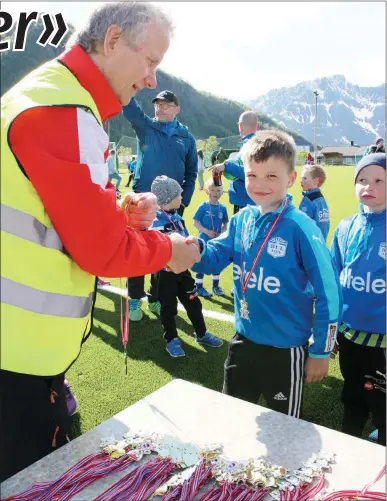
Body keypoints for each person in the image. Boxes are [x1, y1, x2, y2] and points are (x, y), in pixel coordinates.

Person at [0, 2, 201, 482]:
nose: (152, 79)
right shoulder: (62, 111)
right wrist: (169, 250)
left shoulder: (49, 96)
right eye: (149, 61)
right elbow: (100, 252)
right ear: (113, 41)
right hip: (17, 359)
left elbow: (45, 211)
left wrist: (118, 215)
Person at [191, 130, 342, 417]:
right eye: (252, 175)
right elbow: (212, 259)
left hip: (285, 352)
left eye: (271, 176)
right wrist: (190, 249)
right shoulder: (241, 220)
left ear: (291, 179)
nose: (259, 185)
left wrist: (322, 351)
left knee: (284, 428)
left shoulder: (301, 228)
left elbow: (330, 293)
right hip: (243, 342)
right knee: (233, 417)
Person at [122, 90, 198, 321]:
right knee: (136, 251)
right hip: (142, 202)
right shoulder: (146, 127)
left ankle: (154, 297)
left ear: (177, 108)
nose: (160, 108)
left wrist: (182, 200)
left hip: (171, 207)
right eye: (157, 104)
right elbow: (130, 108)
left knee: (162, 254)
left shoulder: (186, 137)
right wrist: (126, 80)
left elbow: (192, 173)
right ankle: (134, 300)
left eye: (166, 104)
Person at [330, 153, 386, 446]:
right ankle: (348, 444)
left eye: (378, 180)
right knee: (352, 397)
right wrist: (333, 331)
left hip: (383, 343)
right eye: (362, 180)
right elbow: (333, 281)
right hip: (350, 336)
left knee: (383, 406)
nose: (369, 186)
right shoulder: (345, 227)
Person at [150, 176, 223, 357]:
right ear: (168, 198)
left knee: (193, 302)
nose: (182, 197)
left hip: (184, 272)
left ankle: (201, 333)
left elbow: (186, 239)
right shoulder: (154, 221)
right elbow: (155, 247)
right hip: (165, 274)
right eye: (179, 194)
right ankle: (172, 339)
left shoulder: (177, 217)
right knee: (168, 307)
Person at [210, 111, 259, 215]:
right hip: (253, 200)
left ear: (241, 126)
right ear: (257, 126)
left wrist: (226, 166)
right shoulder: (259, 143)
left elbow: (252, 173)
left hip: (246, 202)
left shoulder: (251, 145)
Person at [193, 179, 229, 297]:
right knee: (201, 263)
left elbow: (225, 224)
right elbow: (196, 222)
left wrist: (221, 233)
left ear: (222, 192)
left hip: (216, 241)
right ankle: (199, 287)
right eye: (212, 189)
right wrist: (207, 231)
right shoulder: (203, 206)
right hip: (203, 240)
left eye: (218, 190)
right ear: (207, 191)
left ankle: (215, 286)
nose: (215, 192)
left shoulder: (223, 208)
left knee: (216, 262)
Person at [299, 164, 330, 241]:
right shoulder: (321, 199)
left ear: (315, 181)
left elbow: (301, 222)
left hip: (309, 243)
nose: (301, 181)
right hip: (321, 243)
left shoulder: (308, 200)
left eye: (305, 178)